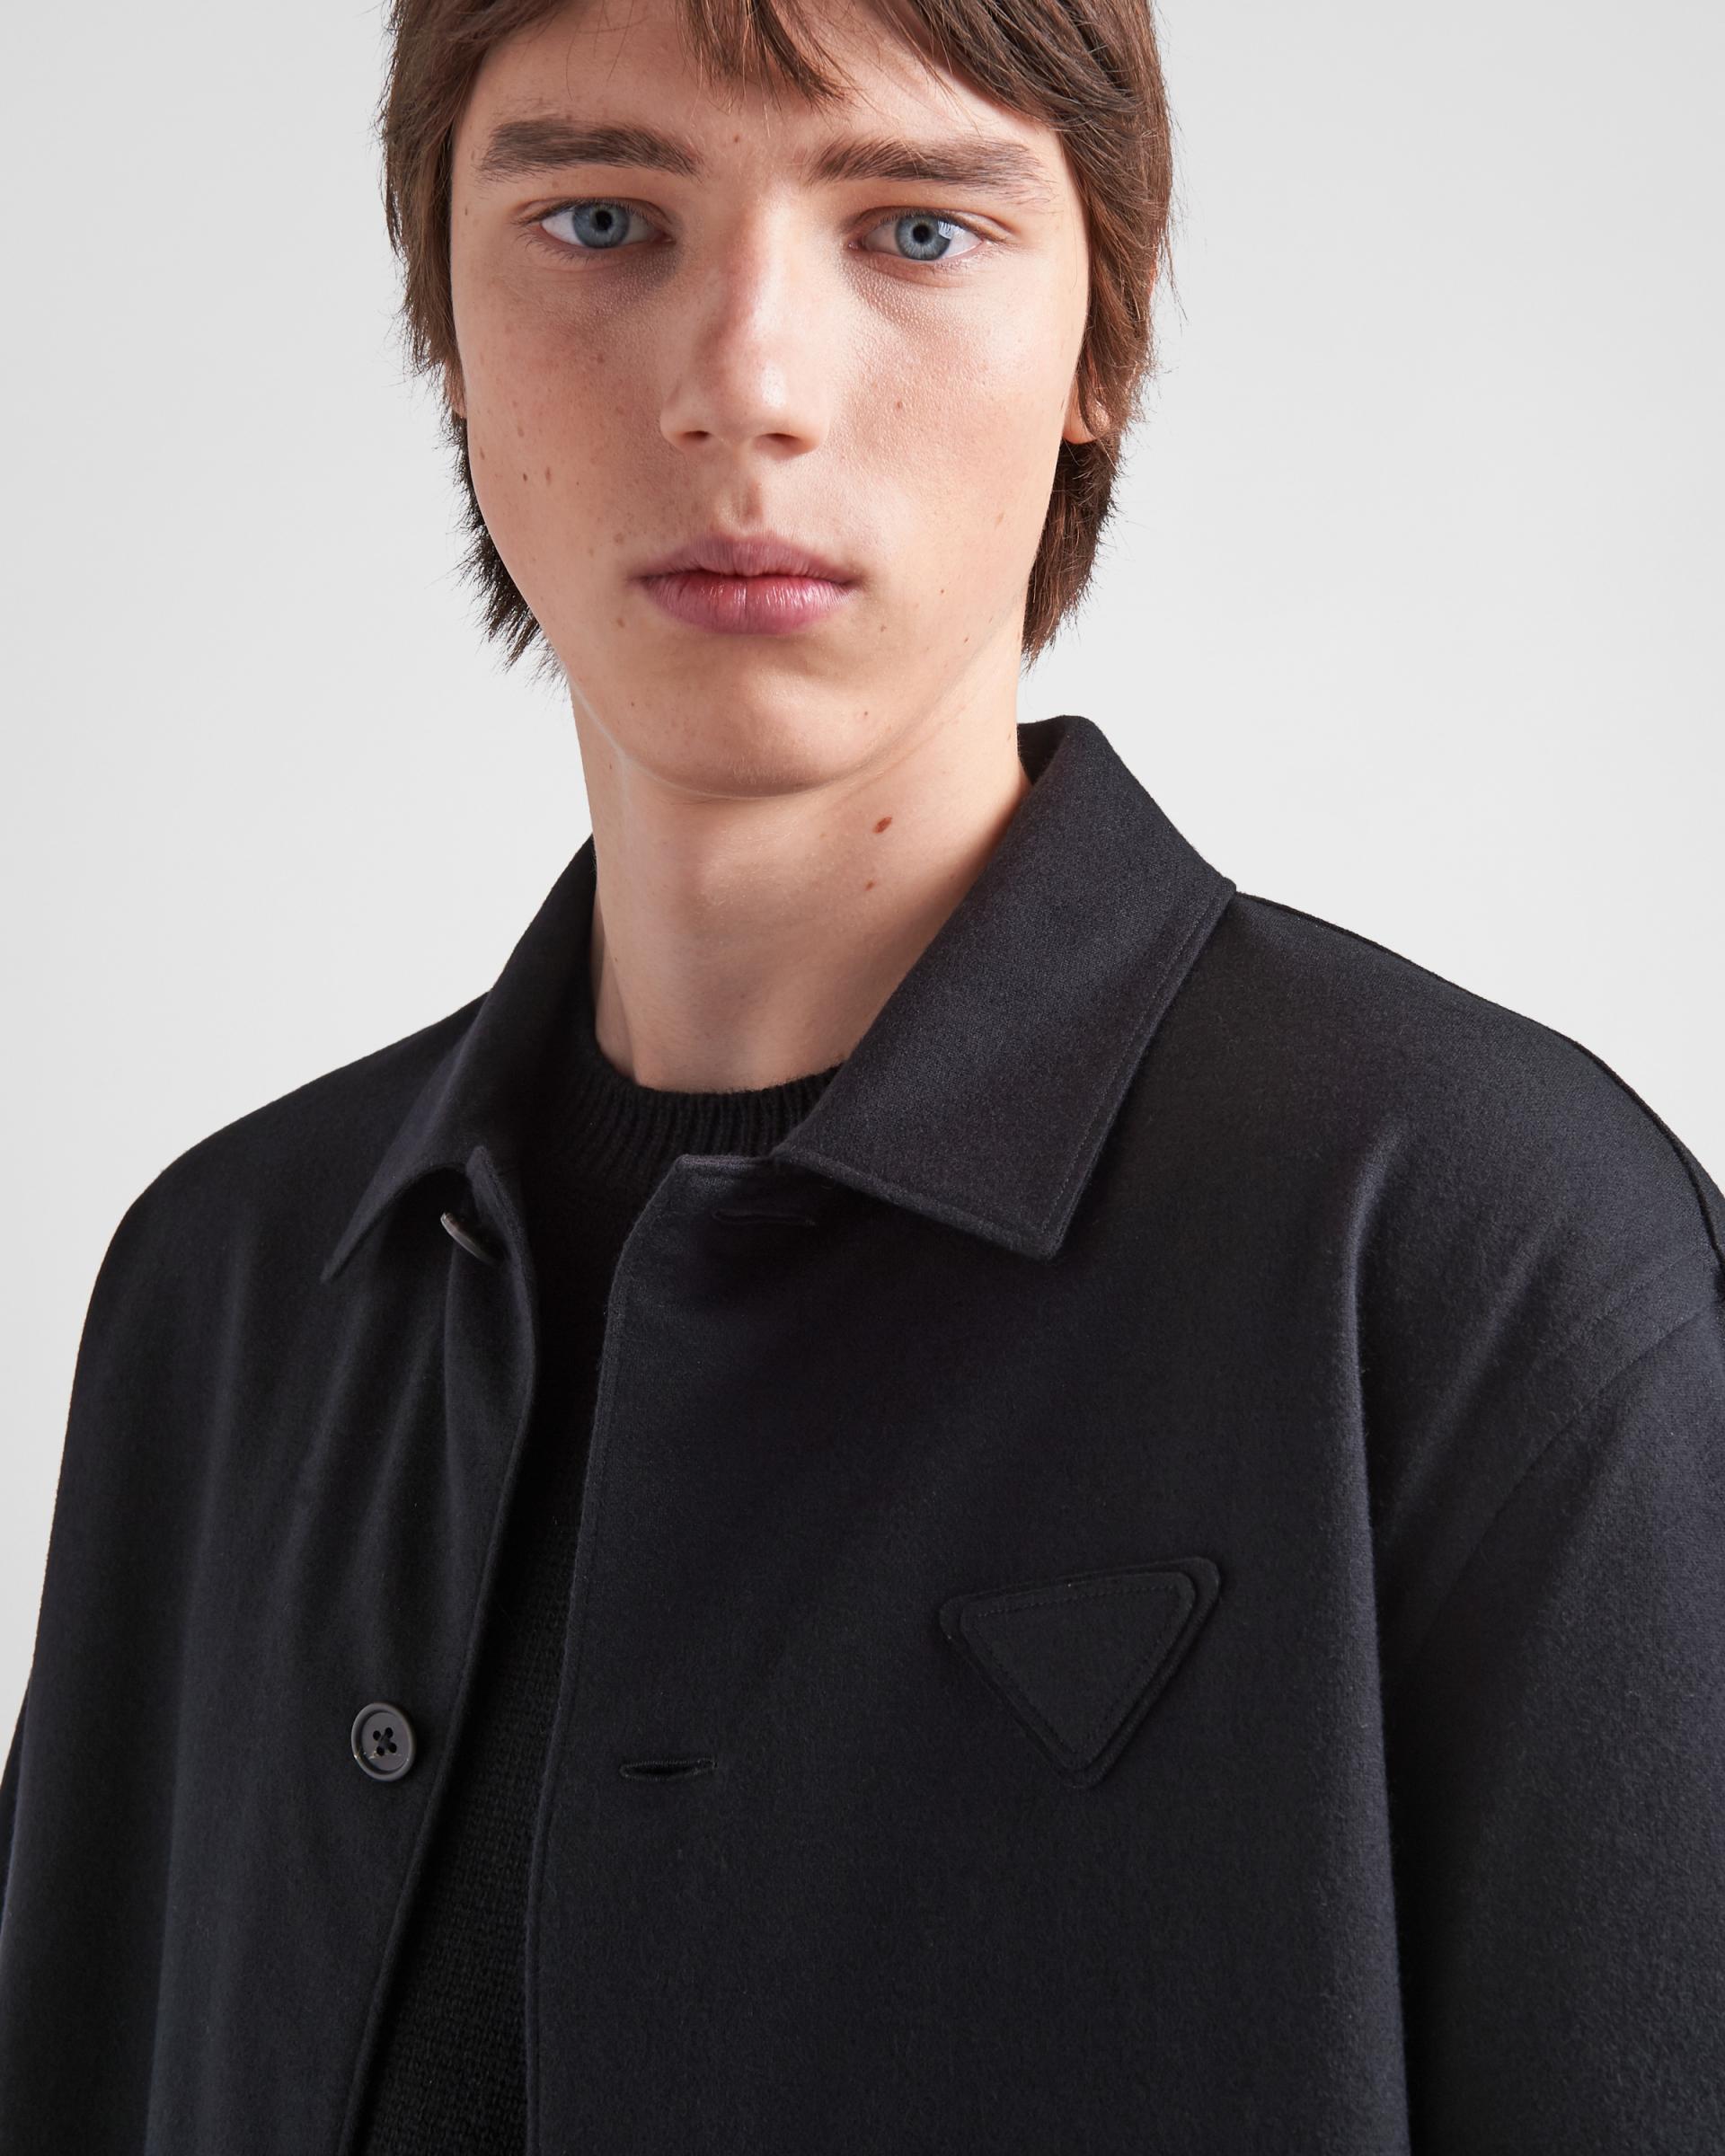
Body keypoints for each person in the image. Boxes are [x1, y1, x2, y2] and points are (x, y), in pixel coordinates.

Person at [3, 0, 1721, 2147]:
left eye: (915, 229)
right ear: (442, 314)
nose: (749, 384)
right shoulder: (226, 1295)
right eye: (601, 219)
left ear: (1101, 341)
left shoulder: (1492, 1261)